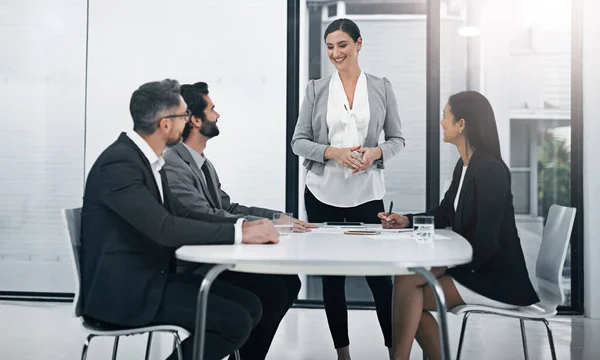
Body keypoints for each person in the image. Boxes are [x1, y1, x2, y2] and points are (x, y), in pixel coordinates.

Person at [80, 79, 281, 360]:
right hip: (125, 294)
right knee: (233, 321)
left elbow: (185, 216)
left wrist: (242, 226)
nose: (188, 121)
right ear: (165, 124)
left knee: (251, 306)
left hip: (152, 280)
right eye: (184, 115)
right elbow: (164, 228)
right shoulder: (120, 163)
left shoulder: (151, 163)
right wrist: (241, 234)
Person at [379, 91, 540, 360]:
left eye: (445, 115)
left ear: (461, 124)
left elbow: (486, 241)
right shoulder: (465, 165)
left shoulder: (490, 170)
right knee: (406, 288)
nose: (441, 122)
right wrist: (407, 220)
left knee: (407, 295)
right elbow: (445, 214)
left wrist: (445, 265)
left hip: (496, 279)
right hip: (477, 268)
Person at [162, 81, 315, 360]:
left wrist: (275, 219)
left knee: (288, 282)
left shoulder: (202, 163)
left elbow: (227, 207)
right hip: (190, 267)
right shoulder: (173, 163)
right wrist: (257, 227)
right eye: (212, 110)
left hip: (211, 257)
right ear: (195, 120)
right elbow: (205, 216)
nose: (217, 115)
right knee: (271, 290)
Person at [291, 18, 405, 360]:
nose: (335, 53)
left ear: (358, 43)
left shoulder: (382, 87)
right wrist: (332, 152)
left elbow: (398, 139)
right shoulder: (316, 89)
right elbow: (298, 142)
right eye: (329, 47)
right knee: (332, 279)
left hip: (367, 194)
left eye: (342, 45)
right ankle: (343, 355)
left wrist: (376, 152)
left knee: (379, 279)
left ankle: (394, 352)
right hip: (322, 194)